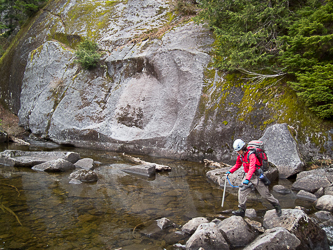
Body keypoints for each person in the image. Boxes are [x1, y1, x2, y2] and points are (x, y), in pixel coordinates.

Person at [226, 139, 282, 217]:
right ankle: (241, 210)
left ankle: (277, 206)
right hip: (247, 176)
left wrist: (247, 179)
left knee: (265, 194)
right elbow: (238, 164)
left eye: (239, 150)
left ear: (243, 148)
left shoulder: (251, 154)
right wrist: (229, 171)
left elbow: (252, 167)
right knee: (241, 191)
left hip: (257, 177)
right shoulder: (240, 155)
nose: (237, 152)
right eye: (237, 151)